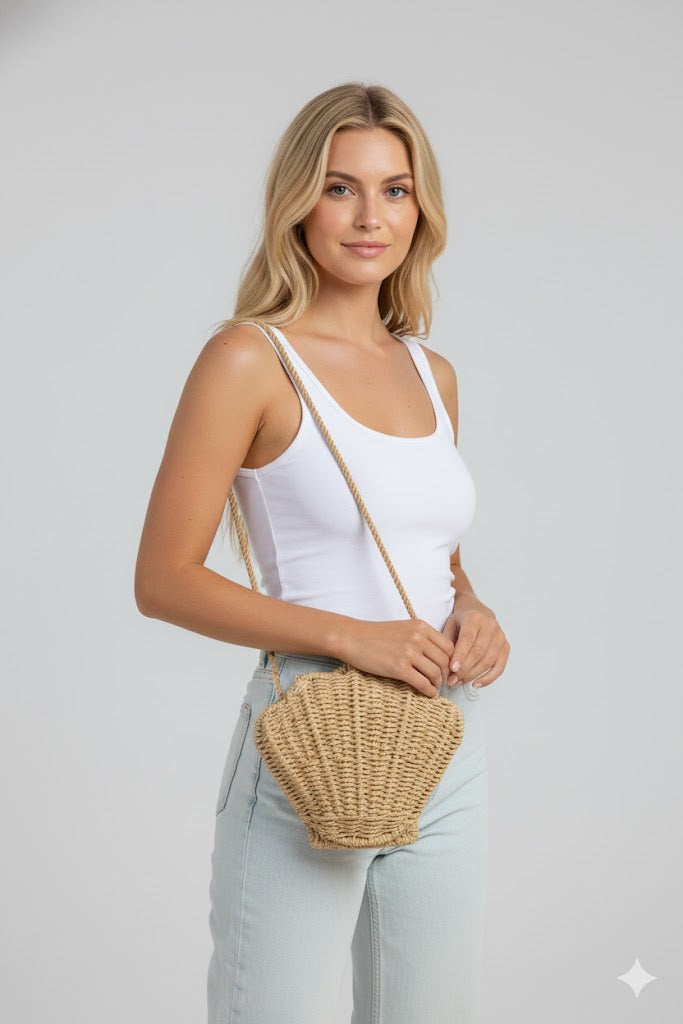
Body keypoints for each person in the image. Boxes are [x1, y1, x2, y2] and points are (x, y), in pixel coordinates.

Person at [134, 82, 510, 1024]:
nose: (369, 216)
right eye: (341, 188)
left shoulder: (431, 372)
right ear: (298, 202)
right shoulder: (248, 360)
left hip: (441, 732)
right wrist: (349, 636)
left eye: (394, 190)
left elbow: (429, 549)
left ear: (420, 209)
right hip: (309, 726)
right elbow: (163, 579)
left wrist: (470, 607)